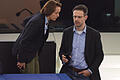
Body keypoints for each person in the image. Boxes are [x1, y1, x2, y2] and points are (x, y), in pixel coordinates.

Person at [12, 0, 62, 71]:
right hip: (25, 54)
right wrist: (21, 60)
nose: (58, 15)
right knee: (30, 76)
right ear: (49, 11)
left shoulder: (45, 20)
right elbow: (25, 41)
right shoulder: (37, 22)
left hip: (33, 52)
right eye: (56, 13)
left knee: (36, 75)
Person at [59, 4, 104, 80]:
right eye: (74, 17)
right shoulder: (67, 32)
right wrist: (62, 57)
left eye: (79, 17)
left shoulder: (94, 34)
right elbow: (62, 50)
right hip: (68, 72)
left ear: (85, 17)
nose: (76, 19)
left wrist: (90, 71)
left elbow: (99, 55)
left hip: (85, 74)